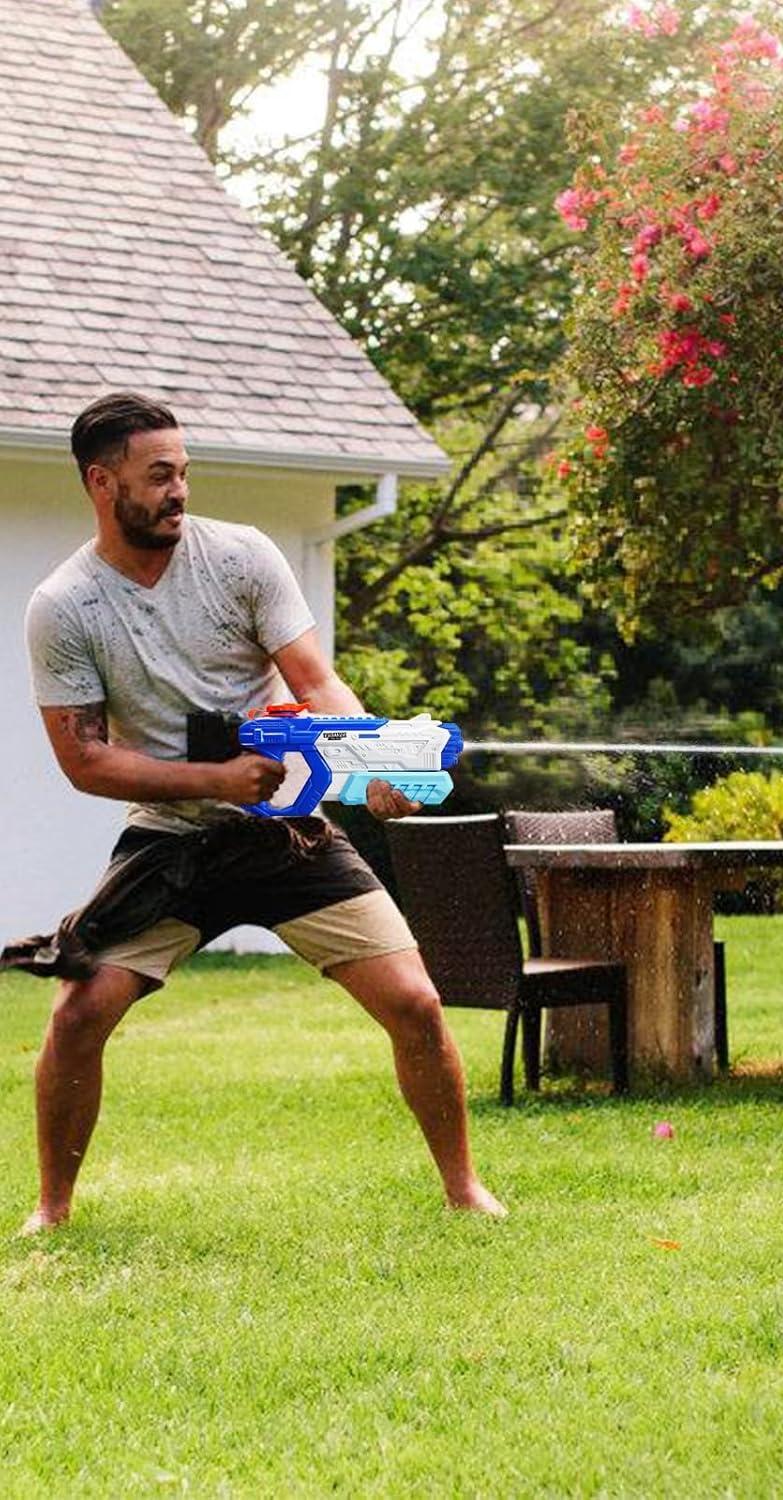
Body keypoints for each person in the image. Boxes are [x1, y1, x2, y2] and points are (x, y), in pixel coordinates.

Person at [18, 391, 503, 1234]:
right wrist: (213, 778)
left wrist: (372, 762)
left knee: (415, 1003)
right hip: (171, 842)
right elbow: (85, 761)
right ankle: (52, 1212)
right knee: (80, 1011)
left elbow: (315, 682)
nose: (179, 490)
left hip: (284, 832)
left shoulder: (240, 557)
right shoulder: (65, 606)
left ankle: (464, 1190)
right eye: (158, 475)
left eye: (183, 471)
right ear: (101, 482)